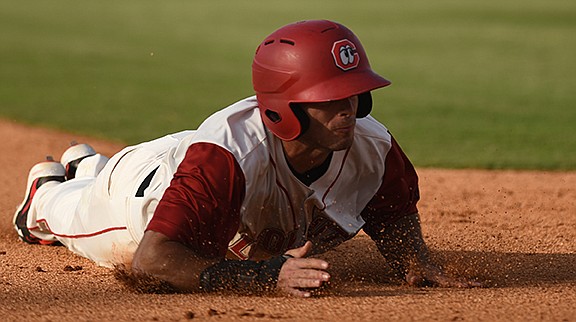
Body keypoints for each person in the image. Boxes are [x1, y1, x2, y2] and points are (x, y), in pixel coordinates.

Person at [14, 20, 480, 297]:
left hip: (191, 157)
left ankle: (88, 164)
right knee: (61, 214)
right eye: (330, 98)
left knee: (112, 171)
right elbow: (153, 261)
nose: (348, 110)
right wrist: (264, 276)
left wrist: (417, 265)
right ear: (284, 107)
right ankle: (51, 188)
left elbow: (394, 216)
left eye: (355, 94)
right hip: (140, 197)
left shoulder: (373, 149)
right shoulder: (227, 156)